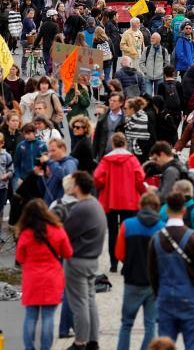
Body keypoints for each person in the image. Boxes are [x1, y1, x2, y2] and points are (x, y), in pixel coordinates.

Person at [148, 191, 194, 350]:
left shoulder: (156, 239)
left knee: (165, 345)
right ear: (184, 210)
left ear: (167, 210)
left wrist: (158, 295)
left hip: (165, 297)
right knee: (192, 345)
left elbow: (152, 274)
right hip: (190, 298)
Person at [16, 198, 73, 350]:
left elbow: (20, 258)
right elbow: (68, 253)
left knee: (30, 316)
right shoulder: (57, 230)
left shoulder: (25, 234)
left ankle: (29, 347)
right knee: (48, 317)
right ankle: (46, 348)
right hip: (51, 278)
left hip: (32, 279)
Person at [64, 170, 108, 350]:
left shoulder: (81, 208)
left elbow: (65, 232)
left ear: (78, 186)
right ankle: (92, 340)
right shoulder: (94, 204)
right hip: (91, 259)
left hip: (78, 260)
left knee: (79, 303)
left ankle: (80, 342)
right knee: (89, 301)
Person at [115, 191, 164, 350]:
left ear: (140, 205)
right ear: (157, 207)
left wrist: (129, 262)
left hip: (132, 280)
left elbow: (119, 253)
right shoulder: (162, 228)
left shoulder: (127, 225)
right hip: (153, 282)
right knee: (150, 324)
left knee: (126, 324)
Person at [93, 132, 145, 272]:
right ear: (125, 143)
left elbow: (97, 178)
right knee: (127, 232)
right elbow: (140, 178)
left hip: (110, 200)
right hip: (129, 200)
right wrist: (143, 194)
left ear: (113, 144)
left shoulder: (106, 160)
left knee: (113, 232)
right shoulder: (132, 159)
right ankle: (126, 262)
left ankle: (113, 263)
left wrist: (102, 187)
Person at [41, 138, 78, 206]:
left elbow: (66, 177)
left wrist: (50, 162)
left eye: (53, 151)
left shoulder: (69, 163)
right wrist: (41, 174)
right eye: (49, 151)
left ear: (63, 149)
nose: (50, 154)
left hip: (61, 209)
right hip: (51, 208)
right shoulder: (56, 164)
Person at [92, 92, 125, 160]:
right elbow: (96, 137)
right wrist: (93, 156)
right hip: (104, 154)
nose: (111, 103)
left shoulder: (125, 118)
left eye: (114, 101)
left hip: (119, 155)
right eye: (110, 100)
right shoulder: (102, 117)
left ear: (121, 103)